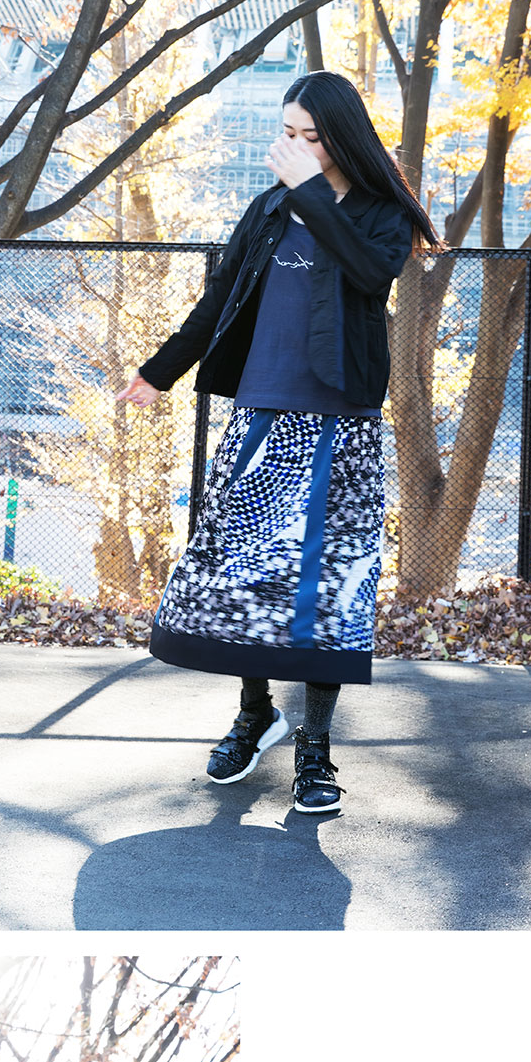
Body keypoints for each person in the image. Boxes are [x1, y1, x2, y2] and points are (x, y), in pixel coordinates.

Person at [132, 70, 435, 819]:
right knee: (248, 577)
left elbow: (370, 274)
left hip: (341, 421)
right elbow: (219, 300)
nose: (295, 147)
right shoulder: (268, 209)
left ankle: (315, 746)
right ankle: (255, 713)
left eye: (312, 137)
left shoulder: (383, 212)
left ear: (343, 138)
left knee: (325, 585)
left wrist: (310, 193)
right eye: (288, 133)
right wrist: (159, 370)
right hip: (262, 415)